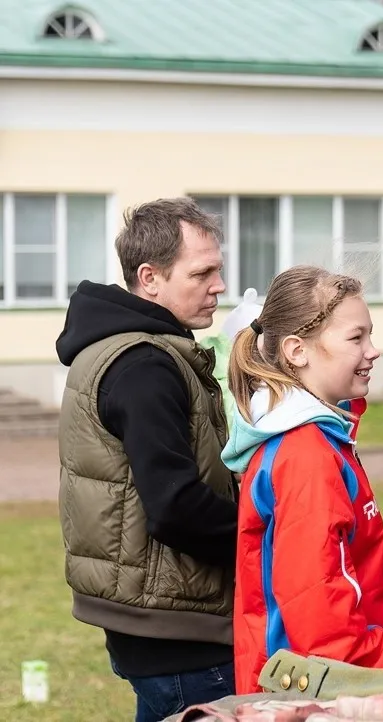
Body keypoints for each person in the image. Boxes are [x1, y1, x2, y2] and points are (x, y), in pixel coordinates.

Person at [56, 198, 238, 721]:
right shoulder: (145, 366)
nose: (218, 286)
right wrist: (265, 534)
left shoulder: (135, 349)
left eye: (218, 270)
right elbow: (175, 506)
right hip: (180, 626)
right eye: (202, 272)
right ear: (149, 278)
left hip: (156, 615)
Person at [222, 265, 383, 694]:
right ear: (297, 350)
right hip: (311, 693)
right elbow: (324, 628)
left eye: (370, 335)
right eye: (356, 338)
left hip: (315, 685)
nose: (373, 351)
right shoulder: (306, 454)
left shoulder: (319, 438)